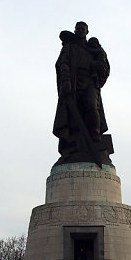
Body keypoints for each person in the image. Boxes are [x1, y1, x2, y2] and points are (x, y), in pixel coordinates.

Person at [52, 22, 112, 165]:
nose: (79, 31)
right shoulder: (70, 47)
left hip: (90, 82)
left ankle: (95, 136)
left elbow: (105, 66)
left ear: (87, 31)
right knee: (73, 115)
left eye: (82, 29)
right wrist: (66, 81)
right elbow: (62, 64)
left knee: (92, 106)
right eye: (77, 29)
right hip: (73, 83)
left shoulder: (93, 48)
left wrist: (97, 67)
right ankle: (75, 143)